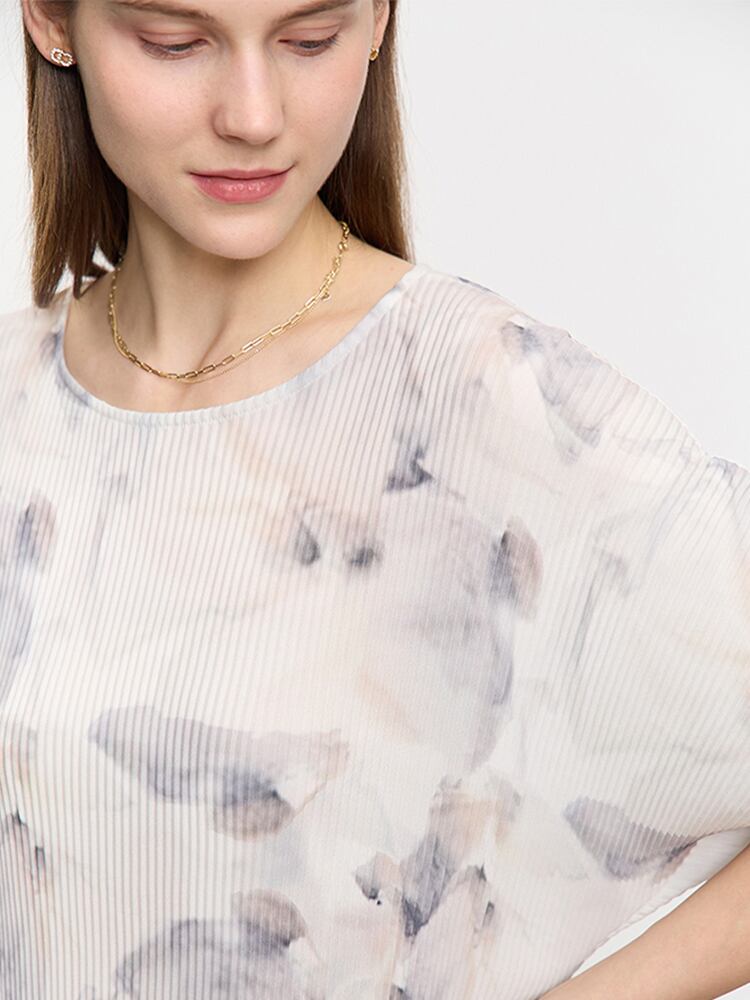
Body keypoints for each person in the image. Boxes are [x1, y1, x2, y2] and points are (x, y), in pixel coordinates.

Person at [1, 1, 748, 998]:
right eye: (177, 43)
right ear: (52, 20)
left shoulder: (474, 397)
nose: (254, 114)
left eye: (310, 40)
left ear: (380, 18)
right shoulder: (15, 396)